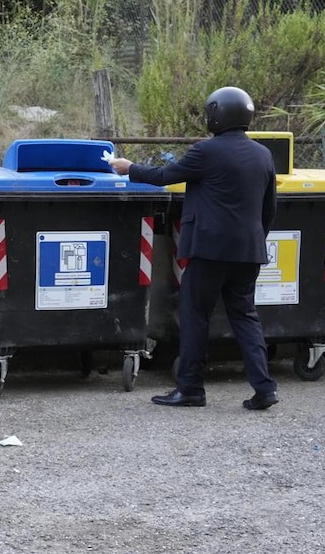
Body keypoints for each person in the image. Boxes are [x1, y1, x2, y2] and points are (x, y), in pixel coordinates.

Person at [108, 86, 279, 410]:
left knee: (195, 315)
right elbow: (269, 209)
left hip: (209, 252)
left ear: (215, 114)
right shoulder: (263, 154)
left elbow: (163, 176)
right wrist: (255, 240)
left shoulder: (207, 152)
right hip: (249, 252)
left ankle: (190, 388)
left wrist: (129, 168)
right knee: (245, 316)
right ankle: (265, 388)